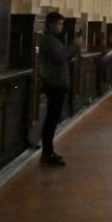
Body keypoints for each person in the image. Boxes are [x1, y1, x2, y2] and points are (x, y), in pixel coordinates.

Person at [37, 12, 82, 166]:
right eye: (59, 24)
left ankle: (48, 151)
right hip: (54, 84)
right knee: (51, 119)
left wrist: (70, 54)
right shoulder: (49, 41)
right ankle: (47, 153)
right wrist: (74, 46)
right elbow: (60, 57)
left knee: (53, 119)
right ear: (51, 24)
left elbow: (61, 58)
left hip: (57, 83)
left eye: (62, 24)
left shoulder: (53, 40)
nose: (61, 26)